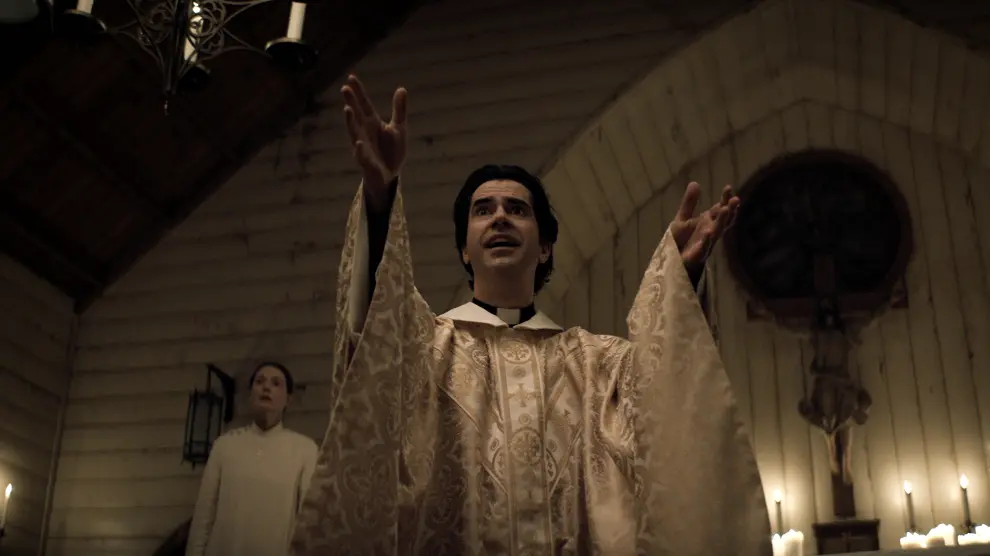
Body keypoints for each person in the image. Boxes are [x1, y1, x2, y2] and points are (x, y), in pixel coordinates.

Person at [290, 74, 771, 555]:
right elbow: (376, 333)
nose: (500, 216)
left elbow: (665, 395)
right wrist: (380, 200)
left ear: (544, 248)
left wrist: (681, 280)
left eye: (517, 209)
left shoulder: (597, 364)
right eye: (483, 210)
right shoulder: (425, 348)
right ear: (464, 249)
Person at [186, 362, 318, 556]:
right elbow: (204, 515)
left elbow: (308, 522)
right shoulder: (225, 446)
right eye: (260, 381)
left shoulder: (304, 449)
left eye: (276, 383)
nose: (266, 387)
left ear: (288, 399)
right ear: (250, 395)